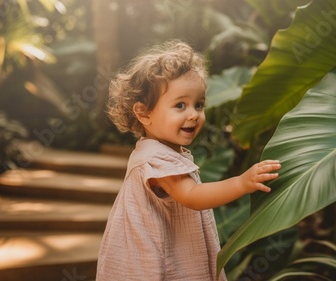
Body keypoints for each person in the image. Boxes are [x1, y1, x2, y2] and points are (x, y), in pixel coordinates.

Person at [96, 40, 281, 281]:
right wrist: (242, 183)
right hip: (160, 265)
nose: (193, 114)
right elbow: (192, 196)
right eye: (180, 105)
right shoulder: (155, 159)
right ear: (143, 113)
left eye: (199, 104)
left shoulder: (162, 152)